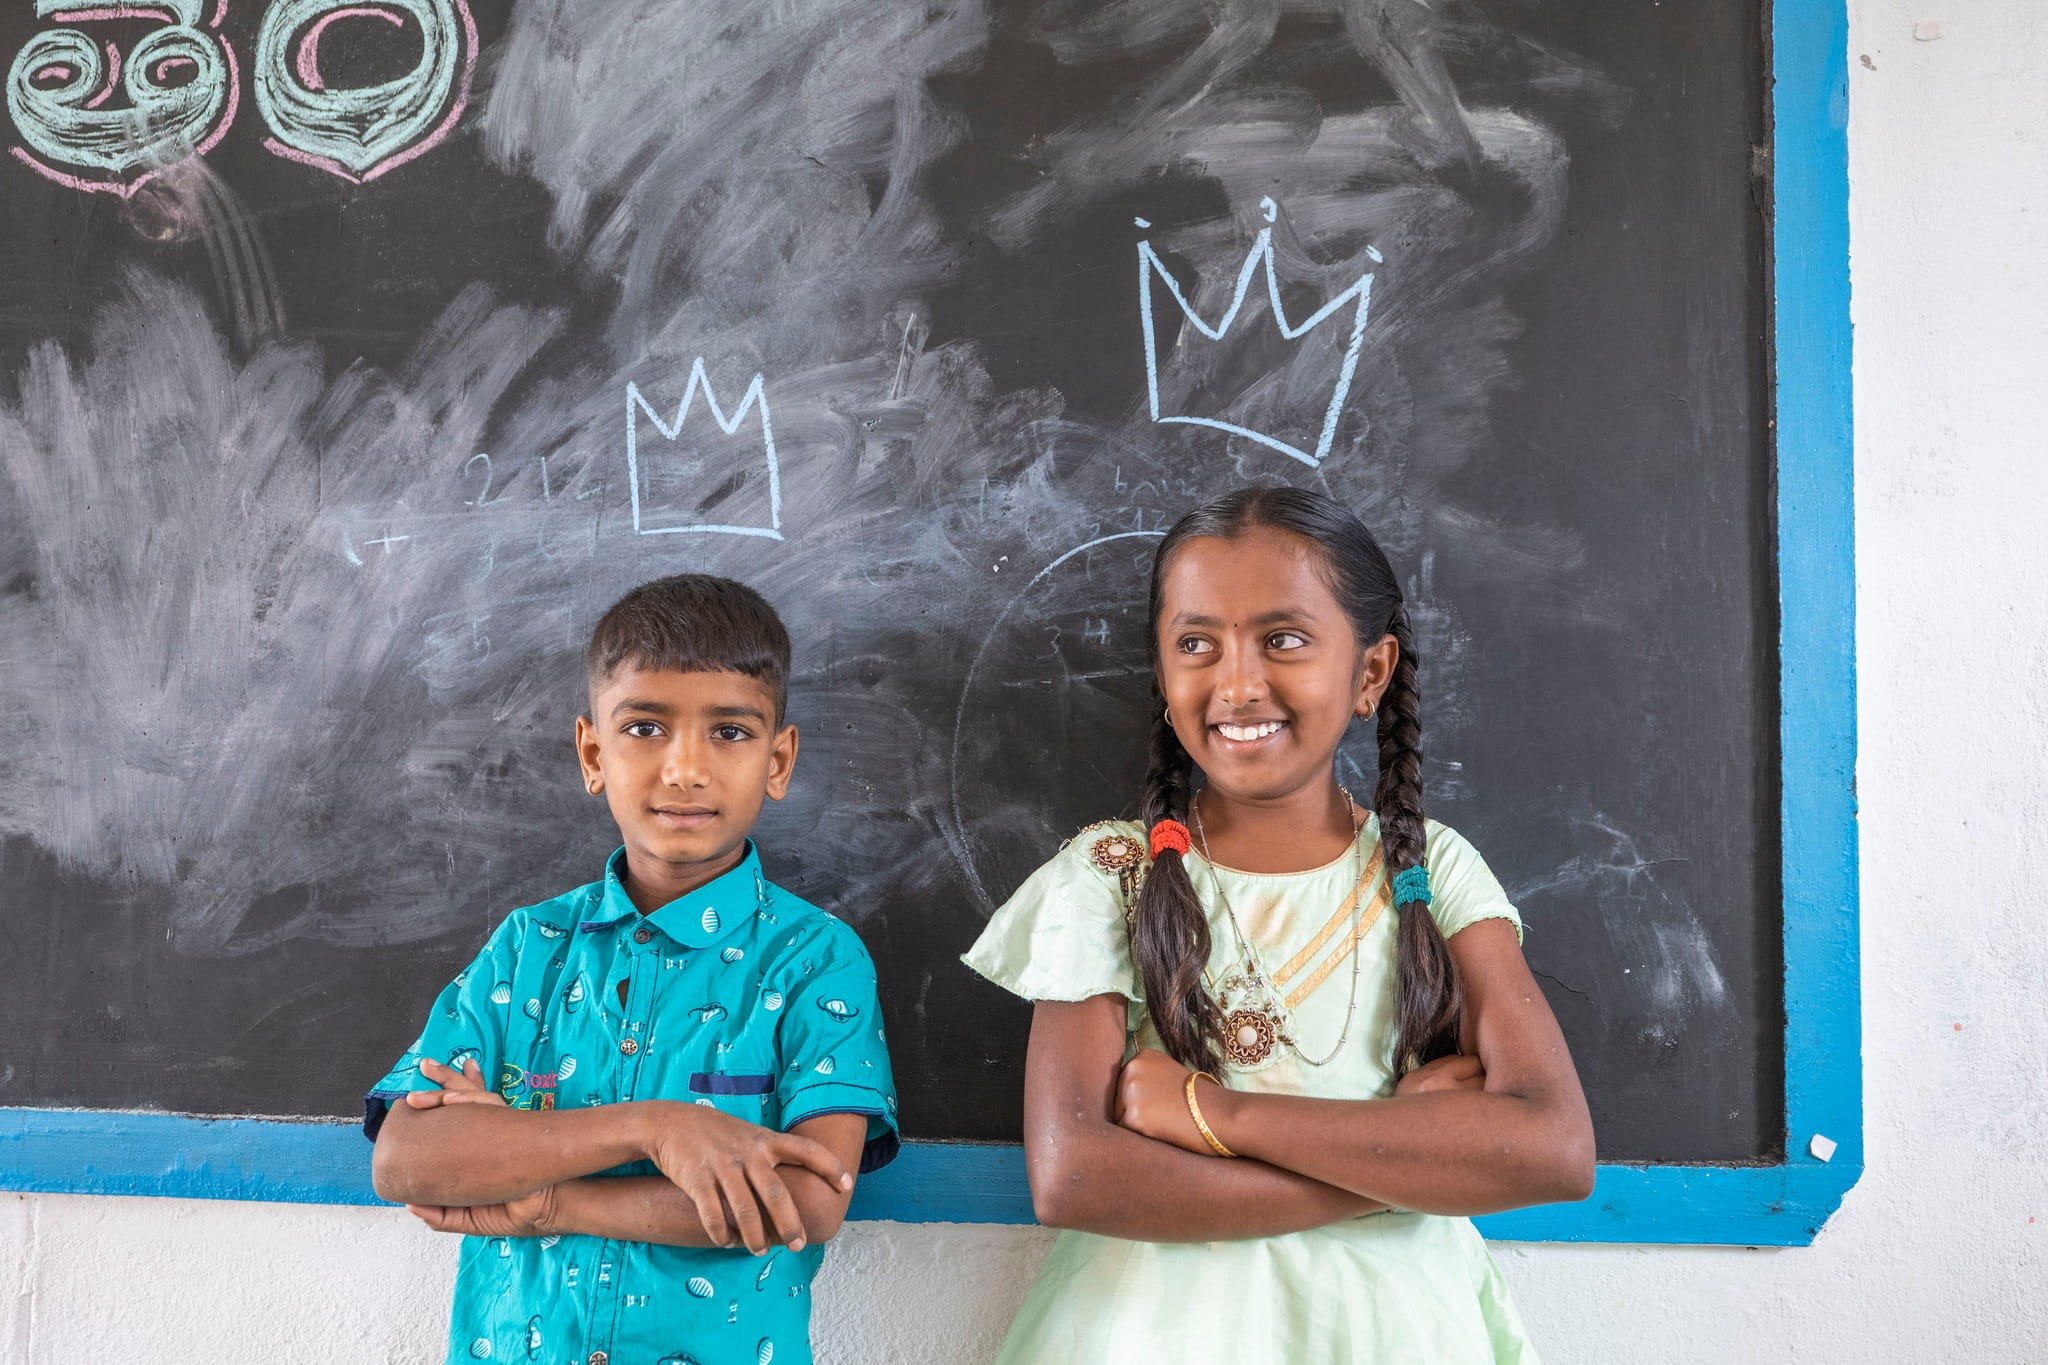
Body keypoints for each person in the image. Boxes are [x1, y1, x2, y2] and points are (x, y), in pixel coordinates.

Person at [964, 485, 1593, 1363]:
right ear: (1162, 671)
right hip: (1151, 1336)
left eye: (1283, 639)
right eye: (1196, 644)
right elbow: (1073, 1176)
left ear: (1370, 672)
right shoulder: (1110, 874)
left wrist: (1211, 1111)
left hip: (1392, 1333)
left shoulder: (1435, 870)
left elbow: (1553, 1145)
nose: (1236, 683)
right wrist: (1396, 1169)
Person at [367, 574, 898, 1365]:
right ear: (593, 753)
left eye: (730, 731)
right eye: (646, 727)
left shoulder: (815, 960)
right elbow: (408, 1157)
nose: (685, 768)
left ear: (779, 760)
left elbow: (810, 1199)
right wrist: (659, 1126)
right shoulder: (528, 947)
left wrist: (551, 1196)